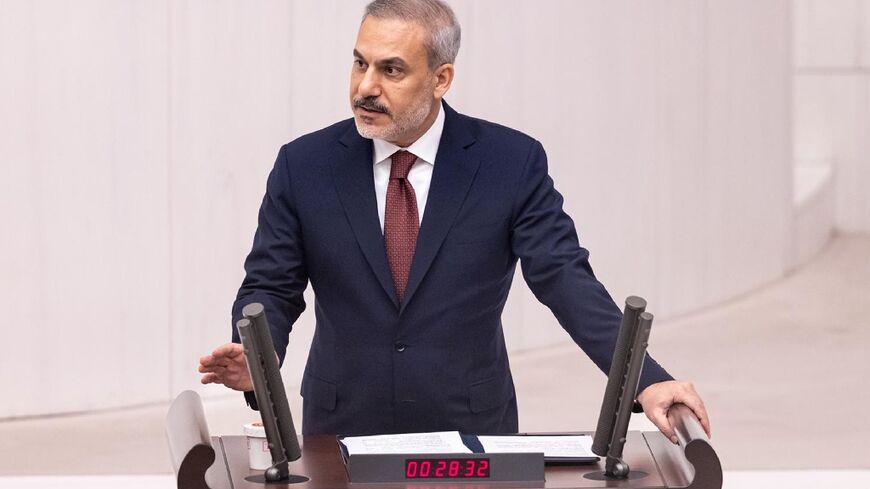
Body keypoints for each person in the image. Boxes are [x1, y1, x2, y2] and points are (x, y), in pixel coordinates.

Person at [199, 0, 710, 441]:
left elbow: (565, 279)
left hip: (470, 430)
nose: (366, 87)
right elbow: (271, 284)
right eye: (360, 63)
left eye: (391, 70)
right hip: (340, 430)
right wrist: (256, 358)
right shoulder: (304, 165)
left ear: (441, 77)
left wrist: (645, 378)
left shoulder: (510, 163)